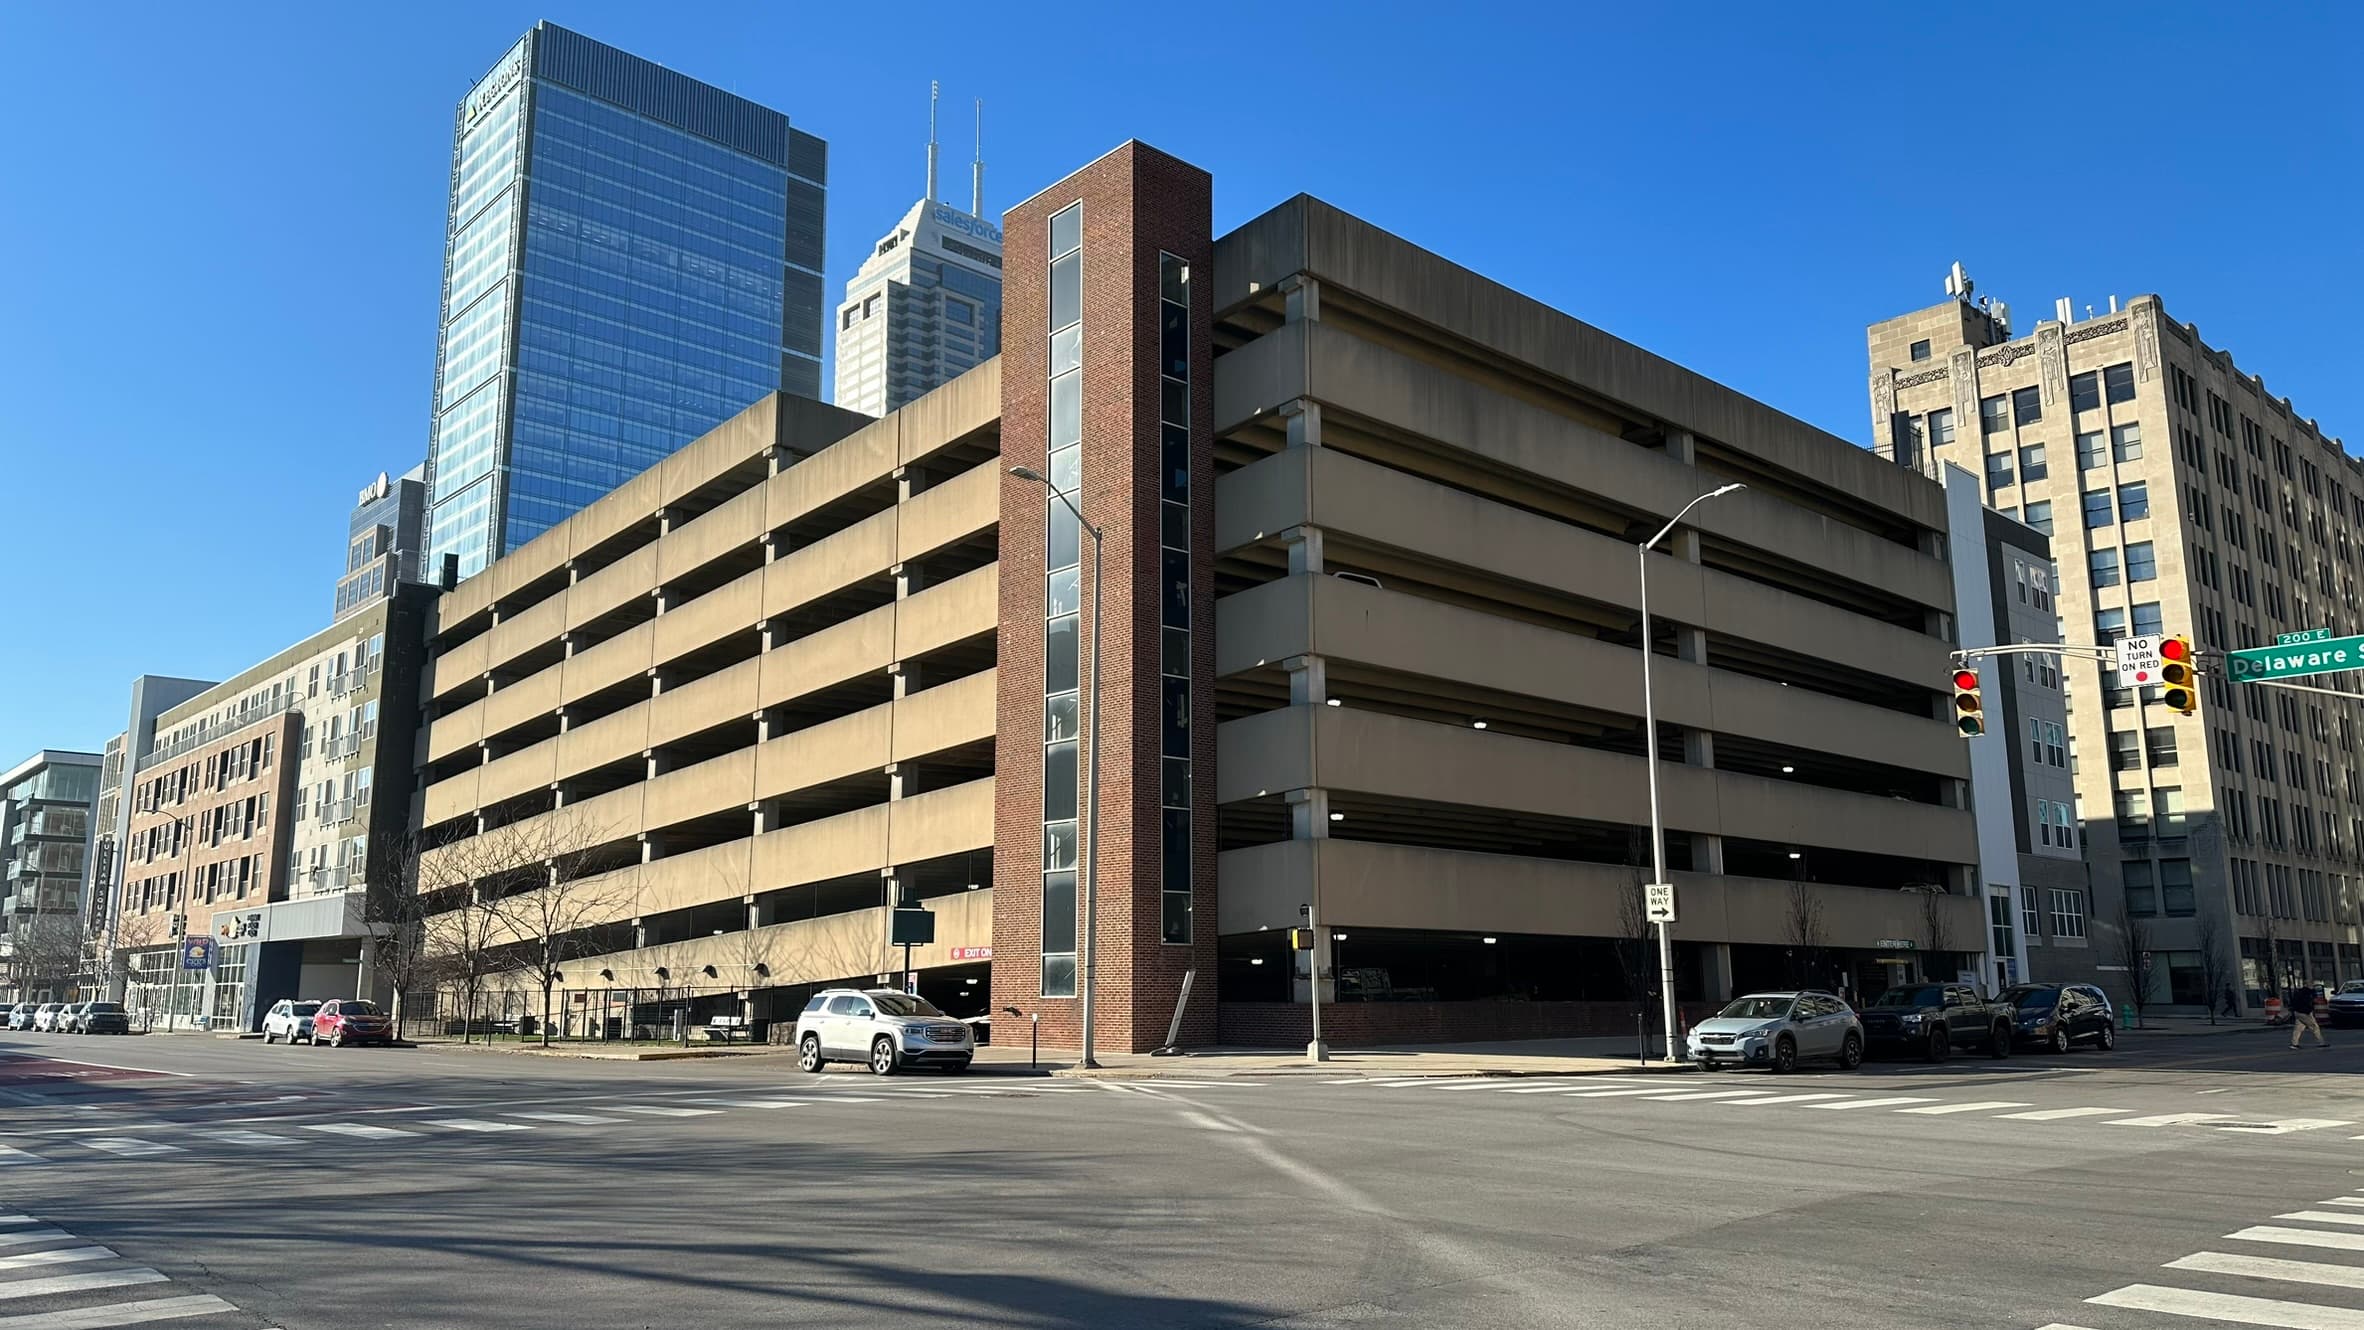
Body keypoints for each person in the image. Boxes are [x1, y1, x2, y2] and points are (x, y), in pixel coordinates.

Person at [2288, 983, 2329, 1049]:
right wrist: (2310, 1007)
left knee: (2298, 1029)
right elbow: (2310, 1002)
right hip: (2305, 1013)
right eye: (2311, 985)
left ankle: (2294, 1044)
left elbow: (2293, 1002)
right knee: (2314, 1027)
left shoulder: (2298, 992)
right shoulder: (2309, 993)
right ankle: (2321, 1042)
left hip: (2297, 1012)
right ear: (2309, 986)